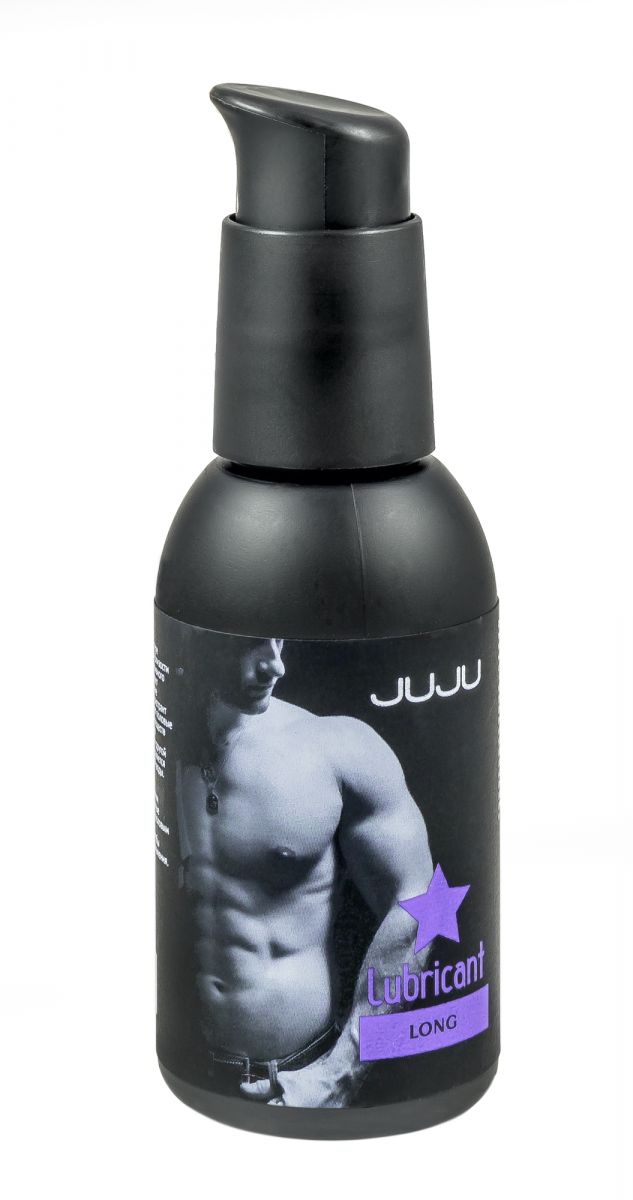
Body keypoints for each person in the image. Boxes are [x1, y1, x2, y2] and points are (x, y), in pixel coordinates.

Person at [177, 637, 432, 1108]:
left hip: (299, 1079)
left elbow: (422, 901)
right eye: (250, 646)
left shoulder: (333, 746)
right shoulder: (169, 739)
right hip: (188, 1068)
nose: (275, 666)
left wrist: (341, 1072)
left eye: (278, 642)